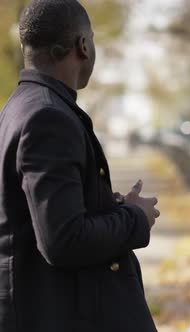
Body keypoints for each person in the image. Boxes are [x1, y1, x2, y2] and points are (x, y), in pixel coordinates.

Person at [0, 1, 160, 331]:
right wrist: (136, 218)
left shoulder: (18, 108)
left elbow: (41, 218)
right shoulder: (48, 117)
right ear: (83, 46)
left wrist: (108, 207)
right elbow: (64, 240)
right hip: (54, 315)